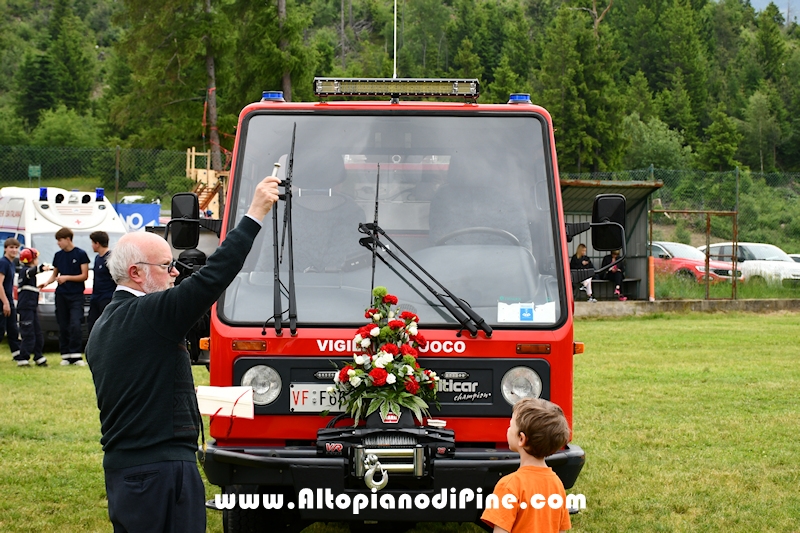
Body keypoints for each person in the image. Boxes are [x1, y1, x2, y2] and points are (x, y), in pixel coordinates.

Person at [85, 174, 280, 533]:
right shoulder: (151, 314)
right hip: (161, 471)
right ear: (136, 273)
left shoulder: (105, 325)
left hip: (127, 471)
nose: (175, 272)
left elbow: (144, 385)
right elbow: (214, 277)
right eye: (166, 266)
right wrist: (255, 212)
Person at [481, 398, 572, 533]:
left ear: (522, 439)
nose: (508, 429)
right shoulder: (557, 484)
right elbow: (561, 530)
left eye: (511, 425)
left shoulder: (508, 486)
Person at [39, 228, 90, 365]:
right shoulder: (58, 255)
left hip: (76, 295)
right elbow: (55, 274)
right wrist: (46, 282)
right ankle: (65, 355)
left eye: (60, 240)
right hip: (61, 295)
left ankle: (76, 355)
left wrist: (67, 277)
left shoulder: (81, 254)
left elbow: (84, 275)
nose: (58, 243)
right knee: (63, 325)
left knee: (75, 324)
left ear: (68, 239)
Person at [16, 247, 48, 367]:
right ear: (31, 259)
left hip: (31, 307)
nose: (38, 260)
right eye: (36, 258)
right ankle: (23, 358)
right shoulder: (25, 271)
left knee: (37, 333)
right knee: (28, 333)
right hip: (26, 308)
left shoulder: (27, 275)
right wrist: (41, 268)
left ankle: (38, 356)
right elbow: (31, 273)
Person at [87, 231, 115, 336]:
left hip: (107, 297)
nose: (92, 245)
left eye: (92, 243)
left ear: (97, 243)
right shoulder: (97, 258)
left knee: (105, 325)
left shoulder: (111, 258)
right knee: (92, 324)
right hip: (95, 297)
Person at [0, 237, 22, 359]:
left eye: (16, 247)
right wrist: (5, 302)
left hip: (9, 298)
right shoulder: (3, 262)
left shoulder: (12, 263)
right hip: (3, 300)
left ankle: (17, 354)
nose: (14, 250)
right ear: (5, 249)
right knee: (1, 329)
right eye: (11, 247)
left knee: (13, 328)